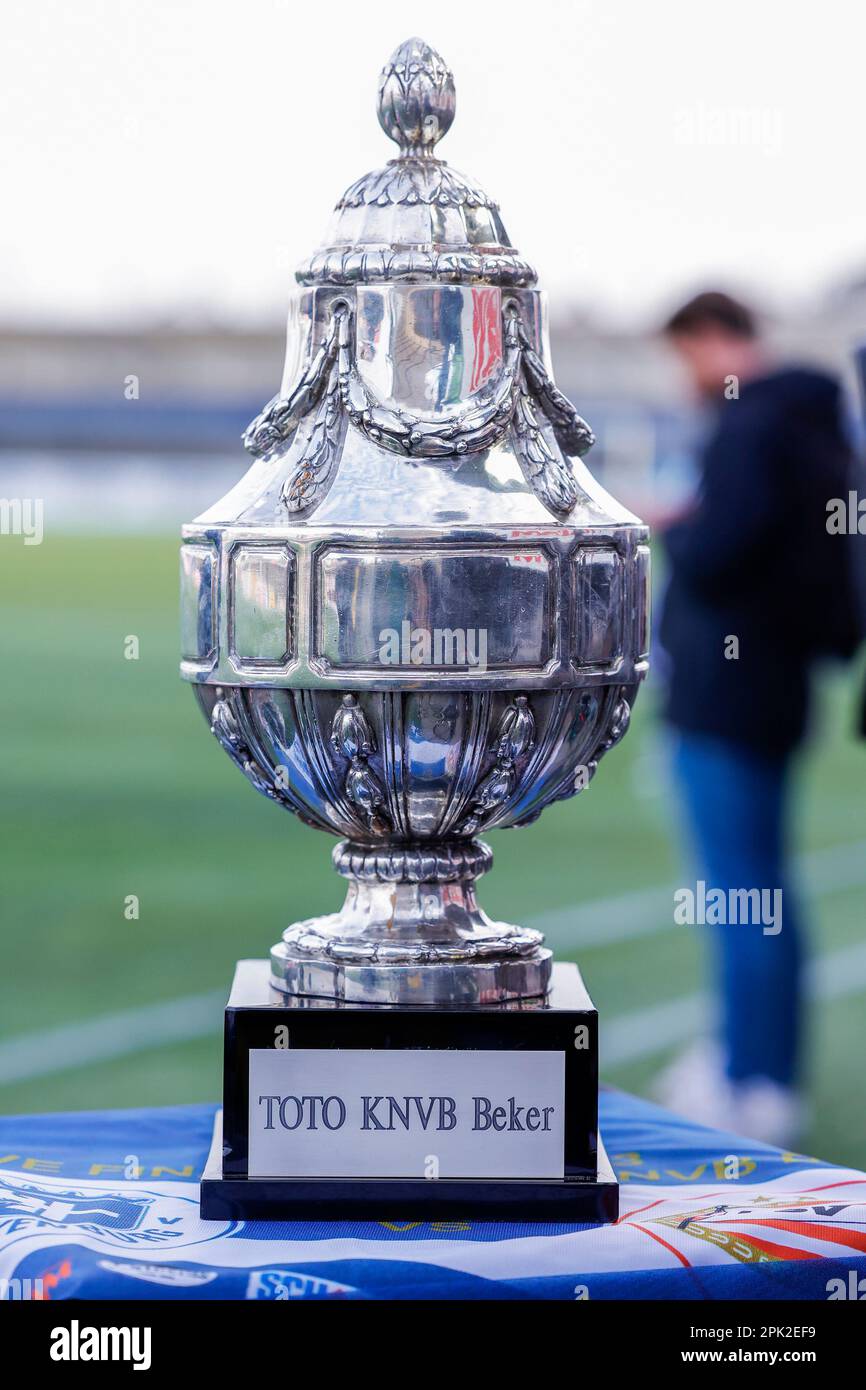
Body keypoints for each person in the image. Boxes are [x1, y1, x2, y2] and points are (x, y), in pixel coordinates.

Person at [655, 291, 861, 1145]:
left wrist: (676, 524)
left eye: (683, 355)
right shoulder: (816, 423)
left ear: (709, 339)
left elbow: (718, 551)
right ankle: (763, 1067)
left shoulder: (749, 427)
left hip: (727, 695)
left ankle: (753, 1080)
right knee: (764, 892)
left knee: (739, 894)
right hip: (780, 689)